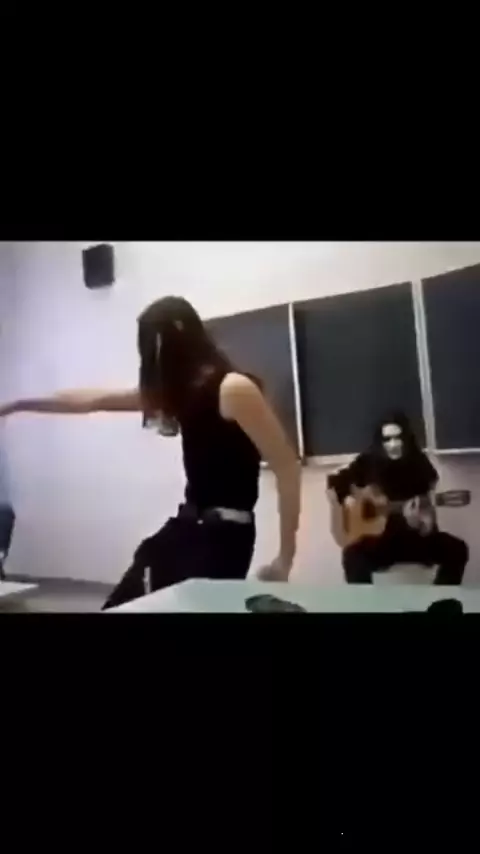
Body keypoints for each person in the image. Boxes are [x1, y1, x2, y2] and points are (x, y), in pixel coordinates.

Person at [0, 296, 301, 609]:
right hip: (187, 528)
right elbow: (94, 400)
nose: (157, 364)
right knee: (124, 601)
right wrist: (18, 404)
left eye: (159, 351)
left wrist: (285, 558)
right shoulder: (181, 392)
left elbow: (287, 466)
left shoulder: (233, 388)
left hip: (223, 538)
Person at [327, 411, 468, 585]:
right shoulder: (368, 461)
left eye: (398, 438)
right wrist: (349, 500)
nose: (393, 444)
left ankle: (441, 598)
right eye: (387, 439)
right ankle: (364, 601)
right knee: (352, 555)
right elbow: (335, 482)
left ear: (406, 439)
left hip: (413, 539)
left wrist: (421, 524)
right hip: (379, 542)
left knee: (457, 549)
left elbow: (428, 517)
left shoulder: (419, 464)